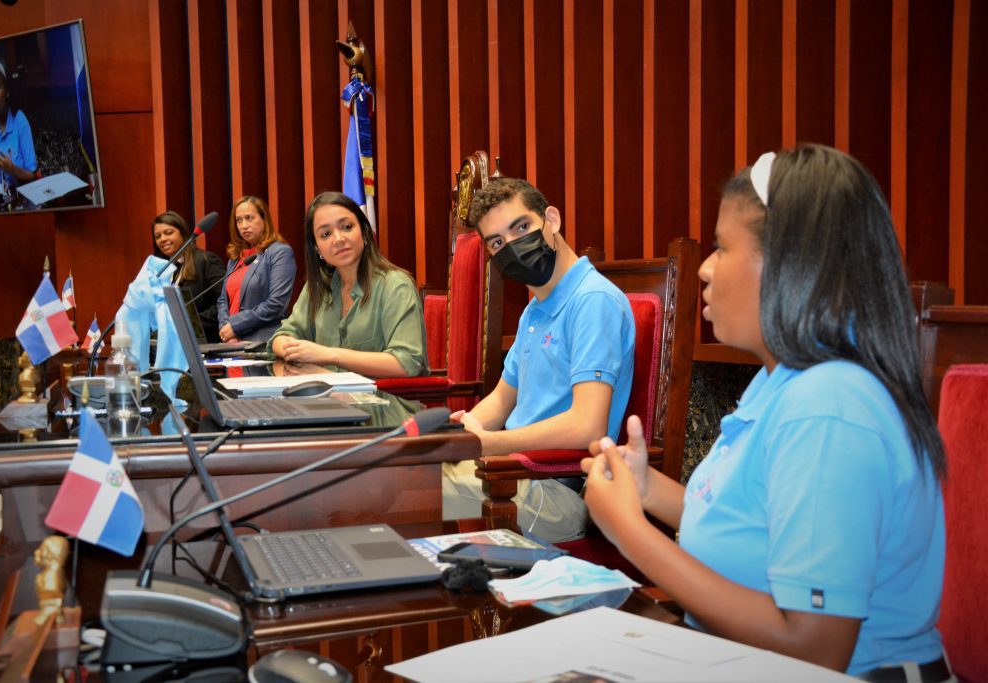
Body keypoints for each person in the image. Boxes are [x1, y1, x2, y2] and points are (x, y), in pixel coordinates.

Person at [582, 145, 951, 680]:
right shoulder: (781, 380)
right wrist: (647, 492)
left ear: (792, 267)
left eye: (721, 247)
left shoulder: (831, 406)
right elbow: (755, 530)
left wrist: (629, 531)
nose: (704, 270)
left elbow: (815, 651)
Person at [442, 177, 636, 543]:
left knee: (408, 490)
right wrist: (464, 430)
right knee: (407, 474)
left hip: (561, 489)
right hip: (513, 474)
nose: (513, 246)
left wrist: (486, 444)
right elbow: (502, 399)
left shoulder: (593, 301)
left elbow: (587, 426)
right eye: (498, 242)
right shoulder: (534, 310)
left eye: (522, 227)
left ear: (552, 219)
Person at [269, 192, 428, 378]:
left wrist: (327, 354)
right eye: (326, 234)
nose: (338, 239)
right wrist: (291, 348)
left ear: (364, 232)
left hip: (383, 402)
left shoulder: (395, 285)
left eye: (347, 227)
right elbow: (282, 335)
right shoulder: (317, 287)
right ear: (317, 248)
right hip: (327, 401)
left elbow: (407, 362)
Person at [216, 196, 296, 343]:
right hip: (232, 343)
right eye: (239, 220)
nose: (244, 225)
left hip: (261, 344)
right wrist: (226, 330)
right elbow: (223, 300)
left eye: (249, 218)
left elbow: (276, 303)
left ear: (264, 219)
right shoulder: (235, 258)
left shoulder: (279, 252)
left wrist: (235, 326)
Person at [152, 211, 226, 343]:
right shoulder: (161, 271)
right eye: (157, 236)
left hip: (205, 344)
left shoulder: (206, 260)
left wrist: (188, 323)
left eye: (168, 233)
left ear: (183, 233)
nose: (162, 239)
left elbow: (223, 305)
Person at [0, 57, 37, 205]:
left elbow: (32, 175)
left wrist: (12, 169)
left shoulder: (20, 121)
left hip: (20, 199)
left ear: (8, 92)